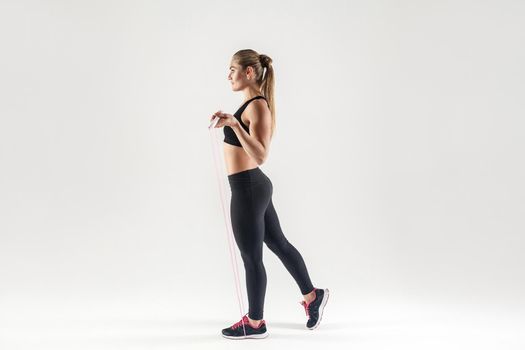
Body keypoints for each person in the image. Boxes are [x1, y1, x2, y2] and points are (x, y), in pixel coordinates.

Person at [210, 49, 330, 340]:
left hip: (249, 188)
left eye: (232, 70)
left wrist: (235, 125)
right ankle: (313, 296)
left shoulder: (258, 106)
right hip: (251, 186)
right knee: (279, 245)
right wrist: (232, 121)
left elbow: (261, 154)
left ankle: (255, 323)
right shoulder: (249, 105)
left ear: (249, 72)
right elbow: (247, 144)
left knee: (251, 257)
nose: (228, 76)